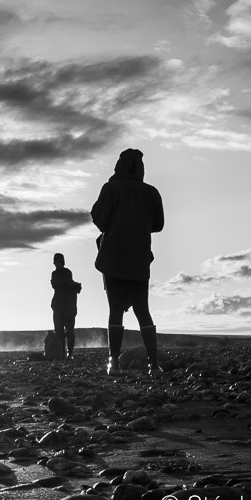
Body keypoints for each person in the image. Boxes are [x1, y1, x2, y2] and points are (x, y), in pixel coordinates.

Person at [91, 148, 165, 376]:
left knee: (115, 311)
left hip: (114, 259)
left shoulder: (111, 188)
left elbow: (100, 220)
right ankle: (154, 365)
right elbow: (158, 225)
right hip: (139, 259)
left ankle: (113, 362)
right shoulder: (151, 193)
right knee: (144, 311)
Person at [50, 253, 82, 360]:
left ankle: (69, 353)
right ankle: (62, 353)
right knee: (59, 330)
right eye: (56, 262)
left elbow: (60, 284)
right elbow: (55, 285)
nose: (57, 264)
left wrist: (71, 285)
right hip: (60, 306)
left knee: (69, 331)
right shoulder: (55, 274)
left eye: (58, 262)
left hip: (68, 307)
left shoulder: (67, 273)